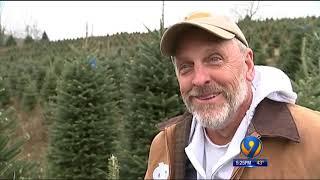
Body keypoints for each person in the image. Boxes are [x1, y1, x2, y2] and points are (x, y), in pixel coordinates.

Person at [144, 11, 320, 179]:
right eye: (186, 66)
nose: (199, 79)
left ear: (248, 65)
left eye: (214, 59)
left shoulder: (313, 137)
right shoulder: (165, 145)